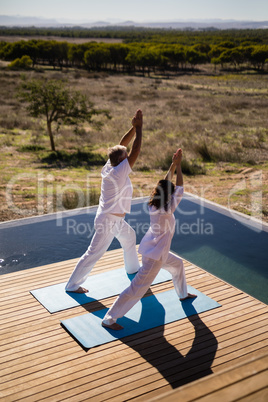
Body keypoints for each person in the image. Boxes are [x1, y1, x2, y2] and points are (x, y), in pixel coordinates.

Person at [102, 148, 196, 330]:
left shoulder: (154, 205)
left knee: (177, 265)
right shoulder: (167, 210)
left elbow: (166, 184)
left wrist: (173, 165)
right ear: (168, 196)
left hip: (156, 252)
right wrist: (180, 167)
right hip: (155, 258)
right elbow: (180, 188)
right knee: (136, 289)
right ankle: (109, 318)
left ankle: (183, 293)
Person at [65, 109, 143, 293]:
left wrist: (132, 128)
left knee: (129, 237)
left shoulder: (110, 165)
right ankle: (72, 285)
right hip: (108, 221)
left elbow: (122, 146)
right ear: (121, 161)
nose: (128, 159)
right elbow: (135, 150)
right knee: (94, 253)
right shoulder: (118, 173)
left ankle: (133, 269)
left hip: (113, 219)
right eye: (125, 157)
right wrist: (140, 129)